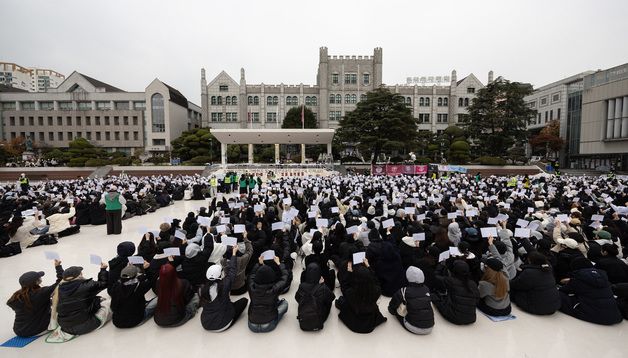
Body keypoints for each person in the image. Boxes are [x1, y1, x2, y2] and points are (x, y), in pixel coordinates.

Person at [48, 264, 111, 340]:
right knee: (108, 303)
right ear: (79, 275)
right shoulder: (86, 285)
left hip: (66, 327)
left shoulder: (59, 289)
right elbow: (103, 284)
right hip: (85, 325)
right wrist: (103, 270)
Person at [7, 260, 64, 337]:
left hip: (19, 330)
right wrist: (58, 266)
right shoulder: (41, 293)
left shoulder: (16, 296)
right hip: (36, 330)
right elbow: (60, 282)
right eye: (39, 277)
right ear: (37, 282)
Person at [558, 257, 623, 325]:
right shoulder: (602, 276)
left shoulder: (578, 278)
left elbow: (564, 290)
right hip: (615, 315)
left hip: (596, 315)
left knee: (558, 294)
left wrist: (571, 282)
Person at [200, 247, 249, 332]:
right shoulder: (224, 285)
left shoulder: (201, 289)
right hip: (223, 323)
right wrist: (234, 254)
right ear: (220, 275)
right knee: (244, 300)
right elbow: (232, 271)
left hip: (205, 323)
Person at [336, 259, 387, 333]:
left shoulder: (351, 292)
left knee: (341, 300)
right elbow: (376, 280)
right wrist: (368, 266)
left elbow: (344, 286)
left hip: (354, 319)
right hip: (370, 319)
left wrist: (349, 273)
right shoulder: (376, 290)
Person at [247, 255, 290, 333]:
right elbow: (285, 276)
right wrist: (279, 263)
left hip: (252, 324)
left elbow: (252, 274)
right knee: (285, 303)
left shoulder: (251, 286)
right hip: (269, 324)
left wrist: (259, 264)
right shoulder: (275, 289)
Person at [510, 251, 560, 315]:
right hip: (554, 305)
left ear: (530, 260)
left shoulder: (529, 272)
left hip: (538, 307)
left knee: (512, 290)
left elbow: (516, 285)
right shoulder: (548, 269)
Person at [388, 266, 434, 335]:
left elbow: (393, 304)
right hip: (430, 327)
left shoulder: (404, 290)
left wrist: (391, 310)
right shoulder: (426, 289)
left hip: (413, 327)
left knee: (399, 306)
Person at [432, 260, 480, 325]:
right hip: (471, 318)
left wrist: (441, 265)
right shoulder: (473, 284)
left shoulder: (451, 281)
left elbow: (435, 276)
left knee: (434, 296)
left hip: (455, 317)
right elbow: (477, 300)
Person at [153, 263, 199, 327]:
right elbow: (188, 298)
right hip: (177, 319)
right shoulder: (183, 283)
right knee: (196, 297)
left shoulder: (158, 283)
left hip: (158, 320)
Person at [295, 263, 335, 331]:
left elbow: (297, 298)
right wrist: (322, 284)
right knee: (328, 301)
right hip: (319, 316)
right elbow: (332, 297)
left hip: (304, 316)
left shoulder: (302, 286)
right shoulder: (323, 287)